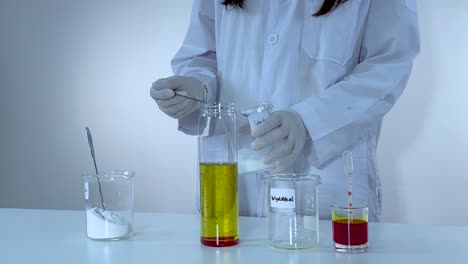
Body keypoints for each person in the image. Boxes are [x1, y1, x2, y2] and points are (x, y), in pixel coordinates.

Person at [150, 0, 420, 221]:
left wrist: (309, 120)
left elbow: (389, 64)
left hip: (326, 186)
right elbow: (202, 54)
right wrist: (198, 87)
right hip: (233, 185)